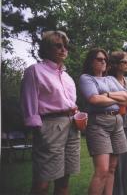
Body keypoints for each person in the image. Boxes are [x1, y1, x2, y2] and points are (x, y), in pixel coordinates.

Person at [21, 30, 80, 195]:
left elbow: (69, 103)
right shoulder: (35, 71)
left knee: (63, 182)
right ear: (46, 48)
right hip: (50, 127)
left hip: (72, 127)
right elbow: (29, 100)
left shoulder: (68, 77)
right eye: (58, 46)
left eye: (65, 46)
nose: (63, 49)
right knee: (42, 184)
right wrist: (37, 129)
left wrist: (77, 114)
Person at [79, 48, 127, 195]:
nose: (103, 62)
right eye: (99, 59)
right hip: (98, 123)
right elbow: (94, 99)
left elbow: (126, 97)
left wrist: (106, 94)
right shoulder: (86, 78)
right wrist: (115, 98)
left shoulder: (110, 79)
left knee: (112, 168)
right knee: (102, 170)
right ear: (91, 61)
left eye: (105, 60)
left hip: (117, 121)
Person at [108, 51, 127, 195]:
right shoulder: (108, 81)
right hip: (113, 125)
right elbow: (106, 102)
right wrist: (122, 103)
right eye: (124, 62)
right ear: (115, 64)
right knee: (114, 164)